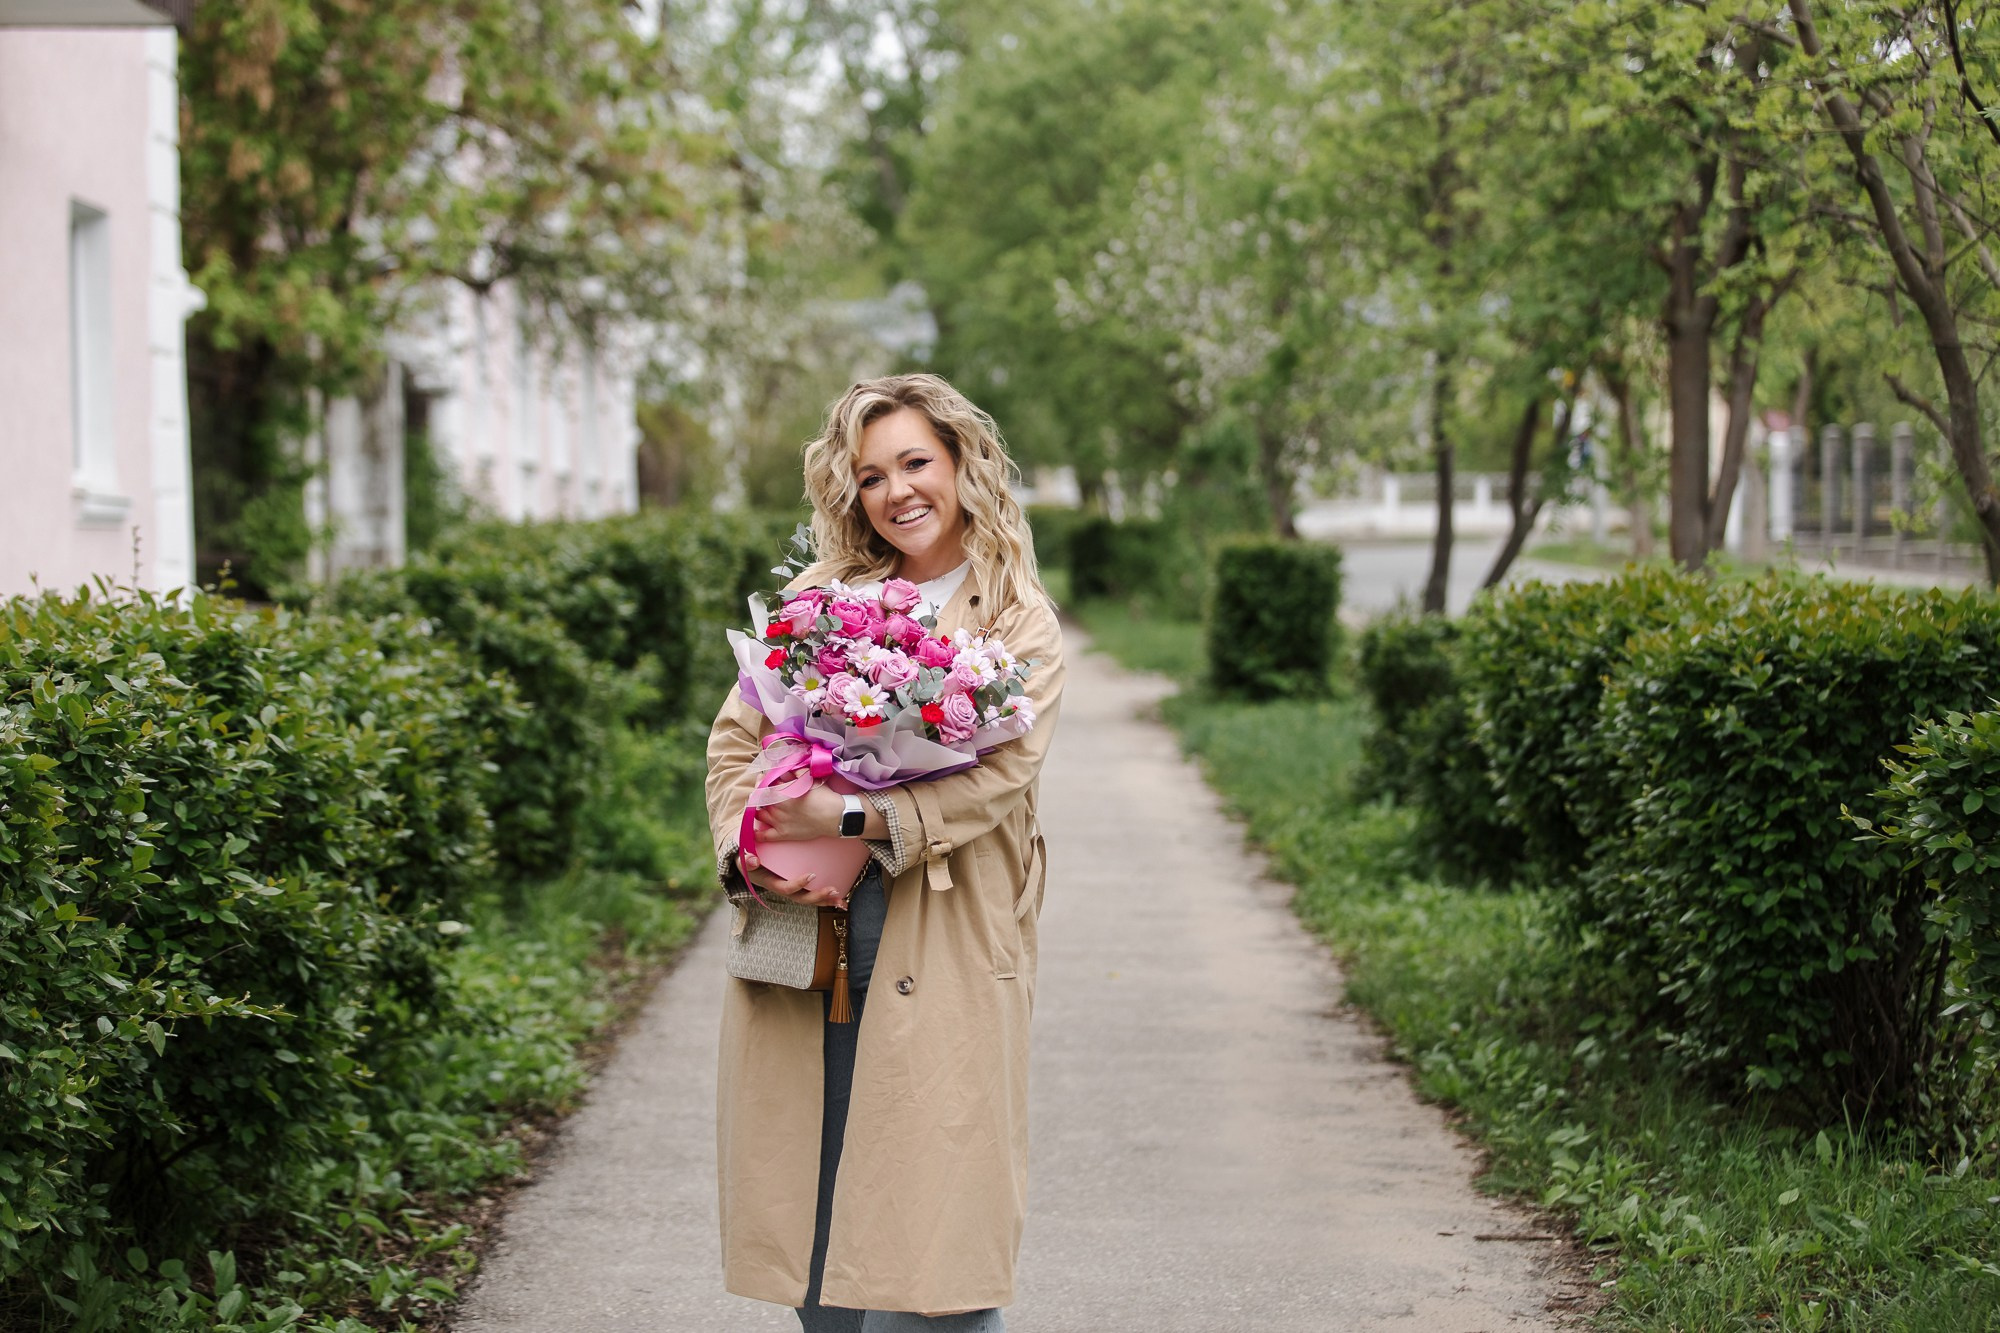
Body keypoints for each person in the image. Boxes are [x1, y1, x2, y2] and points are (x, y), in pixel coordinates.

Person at [704, 374, 1065, 1333]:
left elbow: (998, 779)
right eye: (871, 476)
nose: (896, 491)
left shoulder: (1016, 617)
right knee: (817, 1217)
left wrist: (855, 818)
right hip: (812, 937)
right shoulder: (819, 598)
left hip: (945, 937)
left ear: (960, 464)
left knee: (936, 1243)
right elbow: (735, 744)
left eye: (914, 463)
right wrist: (752, 847)